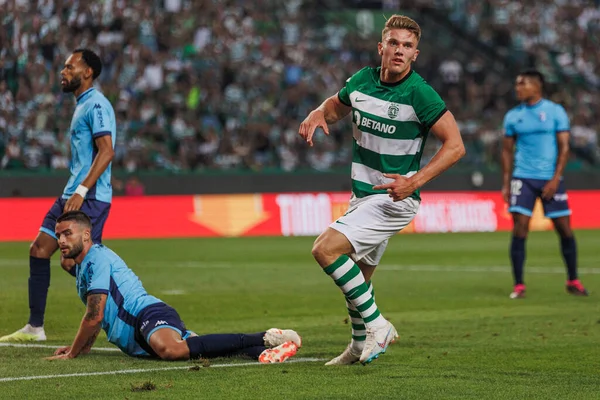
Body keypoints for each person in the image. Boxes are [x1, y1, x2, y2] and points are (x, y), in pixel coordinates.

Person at [298, 15, 465, 365]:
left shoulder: (419, 93)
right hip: (363, 195)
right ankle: (359, 345)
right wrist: (318, 112)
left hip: (393, 198)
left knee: (325, 250)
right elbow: (335, 107)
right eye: (394, 43)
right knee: (357, 278)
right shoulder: (362, 81)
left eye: (407, 46)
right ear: (381, 47)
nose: (399, 51)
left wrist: (414, 182)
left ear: (415, 54)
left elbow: (455, 146)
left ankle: (379, 325)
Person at [44, 211, 302, 363]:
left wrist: (72, 354)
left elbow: (94, 316)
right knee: (199, 348)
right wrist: (81, 347)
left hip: (146, 314)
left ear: (86, 235)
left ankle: (265, 336)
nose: (61, 240)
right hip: (135, 338)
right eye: (58, 235)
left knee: (172, 349)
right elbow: (101, 316)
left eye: (68, 233)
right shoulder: (83, 268)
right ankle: (264, 351)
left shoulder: (96, 258)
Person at [0, 49, 117, 342]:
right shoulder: (82, 104)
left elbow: (107, 152)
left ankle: (119, 307)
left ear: (87, 71)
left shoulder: (98, 104)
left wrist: (81, 190)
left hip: (88, 197)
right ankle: (35, 327)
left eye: (69, 67)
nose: (62, 72)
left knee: (75, 262)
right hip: (72, 193)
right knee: (39, 249)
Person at [501, 70, 588, 299]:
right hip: (523, 177)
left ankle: (573, 280)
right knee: (520, 228)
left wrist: (555, 178)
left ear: (536, 86)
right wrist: (506, 182)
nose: (517, 88)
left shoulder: (555, 111)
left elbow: (564, 148)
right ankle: (519, 285)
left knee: (564, 229)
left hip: (550, 177)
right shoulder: (512, 116)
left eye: (522, 84)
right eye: (517, 84)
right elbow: (507, 151)